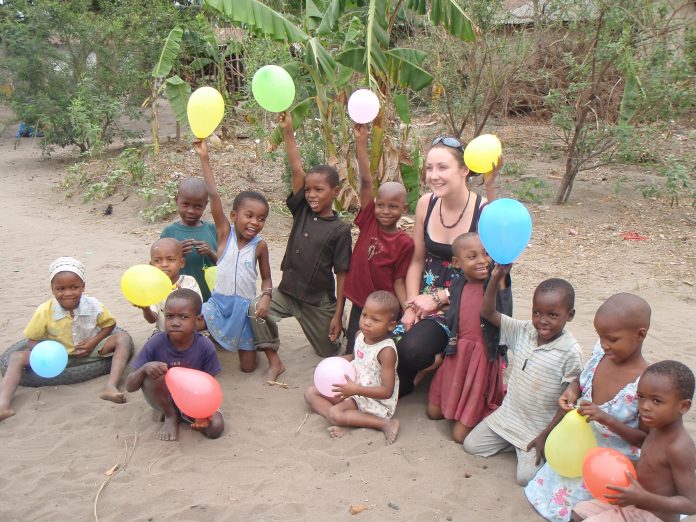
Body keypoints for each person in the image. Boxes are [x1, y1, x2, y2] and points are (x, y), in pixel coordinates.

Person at [525, 293, 652, 521]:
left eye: (612, 339)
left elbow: (646, 440)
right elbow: (581, 381)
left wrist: (607, 419)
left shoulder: (645, 384)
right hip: (582, 446)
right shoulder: (600, 355)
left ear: (640, 335)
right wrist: (572, 390)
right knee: (549, 490)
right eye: (600, 337)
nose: (604, 344)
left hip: (614, 459)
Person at [396, 136, 501, 396]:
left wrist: (439, 297)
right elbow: (417, 260)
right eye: (429, 168)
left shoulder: (483, 211)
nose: (434, 175)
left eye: (442, 167)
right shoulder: (426, 203)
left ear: (464, 170)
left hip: (461, 302)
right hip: (422, 299)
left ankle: (439, 359)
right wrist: (411, 305)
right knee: (388, 352)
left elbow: (490, 275)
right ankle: (418, 372)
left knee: (411, 350)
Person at [463, 265, 582, 486]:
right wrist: (496, 277)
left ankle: (528, 447)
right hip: (508, 417)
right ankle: (512, 443)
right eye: (537, 312)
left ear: (570, 315)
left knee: (525, 478)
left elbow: (567, 404)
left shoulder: (570, 351)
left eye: (553, 315)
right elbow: (487, 313)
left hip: (537, 429)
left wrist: (545, 435)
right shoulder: (525, 331)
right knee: (471, 446)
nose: (542, 320)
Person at [251, 112, 352, 359]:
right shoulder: (302, 210)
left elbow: (342, 276)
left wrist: (337, 315)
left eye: (319, 189)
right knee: (255, 309)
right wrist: (287, 130)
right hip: (287, 293)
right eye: (308, 190)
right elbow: (297, 168)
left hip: (317, 302)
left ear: (335, 191)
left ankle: (342, 328)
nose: (312, 195)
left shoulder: (340, 230)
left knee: (327, 352)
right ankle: (271, 353)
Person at [0, 257, 133, 420]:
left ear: (83, 286)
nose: (68, 293)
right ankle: (3, 404)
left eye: (74, 287)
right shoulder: (45, 311)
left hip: (90, 350)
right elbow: (32, 339)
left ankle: (110, 386)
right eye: (61, 289)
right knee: (16, 357)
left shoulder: (93, 305)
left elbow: (109, 325)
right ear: (52, 289)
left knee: (123, 338)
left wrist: (93, 342)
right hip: (56, 357)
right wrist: (47, 352)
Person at [193, 139, 281, 379]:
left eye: (261, 219)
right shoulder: (224, 234)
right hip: (219, 304)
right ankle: (193, 351)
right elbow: (214, 195)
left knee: (248, 367)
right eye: (249, 215)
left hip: (243, 310)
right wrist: (204, 157)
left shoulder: (260, 246)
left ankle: (230, 339)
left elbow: (266, 278)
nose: (254, 222)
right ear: (234, 215)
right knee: (192, 321)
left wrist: (266, 297)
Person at [573, 360, 696, 522]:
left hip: (653, 515)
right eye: (641, 397)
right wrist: (606, 420)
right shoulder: (656, 427)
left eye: (656, 401)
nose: (644, 406)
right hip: (633, 499)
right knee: (578, 512)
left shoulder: (679, 448)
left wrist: (643, 498)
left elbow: (691, 504)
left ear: (684, 407)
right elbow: (645, 448)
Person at [427, 233, 512, 443]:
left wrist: (499, 278)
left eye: (485, 254)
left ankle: (491, 413)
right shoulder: (458, 285)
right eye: (472, 257)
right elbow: (455, 312)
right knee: (434, 412)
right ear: (457, 263)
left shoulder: (495, 283)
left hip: (482, 358)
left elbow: (505, 311)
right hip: (458, 354)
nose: (482, 260)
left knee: (459, 436)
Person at [343, 123, 414, 354]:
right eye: (380, 205)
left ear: (403, 209)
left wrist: (407, 310)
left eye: (393, 207)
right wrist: (361, 143)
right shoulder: (368, 221)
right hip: (360, 302)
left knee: (378, 350)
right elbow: (365, 181)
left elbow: (399, 280)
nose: (385, 211)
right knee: (355, 347)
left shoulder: (405, 243)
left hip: (383, 309)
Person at [126, 288, 224, 442]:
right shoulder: (155, 343)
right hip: (164, 400)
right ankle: (171, 416)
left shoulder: (205, 346)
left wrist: (203, 413)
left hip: (194, 399)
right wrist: (145, 369)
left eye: (184, 317)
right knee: (154, 373)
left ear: (198, 320)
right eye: (169, 316)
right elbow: (129, 386)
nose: (175, 322)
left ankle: (185, 415)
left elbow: (209, 386)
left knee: (215, 428)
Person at [304, 290, 401, 444]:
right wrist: (330, 364)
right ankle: (350, 420)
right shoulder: (359, 336)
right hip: (353, 388)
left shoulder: (386, 351)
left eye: (375, 319)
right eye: (364, 315)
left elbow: (387, 391)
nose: (367, 322)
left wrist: (355, 390)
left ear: (391, 325)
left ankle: (384, 424)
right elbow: (356, 358)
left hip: (372, 399)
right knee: (311, 392)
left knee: (336, 413)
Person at [161, 177, 217, 301]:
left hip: (211, 297)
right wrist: (176, 252)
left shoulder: (212, 230)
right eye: (186, 204)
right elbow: (160, 267)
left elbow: (224, 263)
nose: (191, 211)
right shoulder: (169, 232)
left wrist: (210, 252)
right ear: (177, 201)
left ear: (205, 205)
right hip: (180, 298)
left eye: (197, 206)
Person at [137, 238, 201, 332]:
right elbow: (152, 320)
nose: (164, 264)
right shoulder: (152, 288)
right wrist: (146, 308)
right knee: (151, 345)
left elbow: (198, 312)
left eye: (170, 259)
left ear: (181, 263)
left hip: (188, 333)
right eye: (158, 261)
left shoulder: (189, 282)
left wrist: (182, 296)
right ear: (151, 265)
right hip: (163, 334)